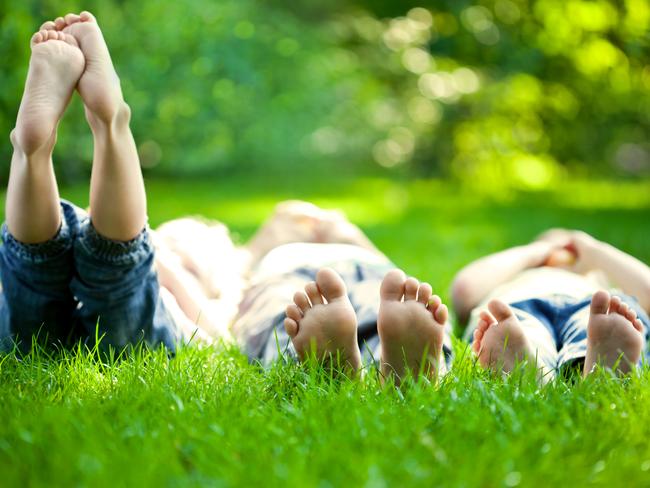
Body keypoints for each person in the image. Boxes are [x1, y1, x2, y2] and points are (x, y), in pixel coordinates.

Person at [1, 12, 182, 353]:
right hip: (134, 325)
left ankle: (41, 150)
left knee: (37, 274)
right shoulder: (215, 270)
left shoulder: (190, 256)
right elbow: (208, 322)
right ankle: (108, 123)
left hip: (23, 315)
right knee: (112, 269)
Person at [155, 200, 454, 384]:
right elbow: (213, 328)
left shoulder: (244, 272)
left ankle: (373, 366)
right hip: (335, 270)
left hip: (355, 264)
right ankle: (404, 370)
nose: (173, 265)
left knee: (396, 306)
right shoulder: (235, 287)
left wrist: (344, 233)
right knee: (306, 316)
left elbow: (392, 279)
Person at [450, 230, 650, 378]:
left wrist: (593, 251)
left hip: (591, 307)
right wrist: (535, 252)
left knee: (602, 325)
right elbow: (464, 290)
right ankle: (531, 369)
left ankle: (598, 364)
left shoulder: (596, 282)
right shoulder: (516, 275)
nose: (563, 248)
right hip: (517, 305)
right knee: (518, 331)